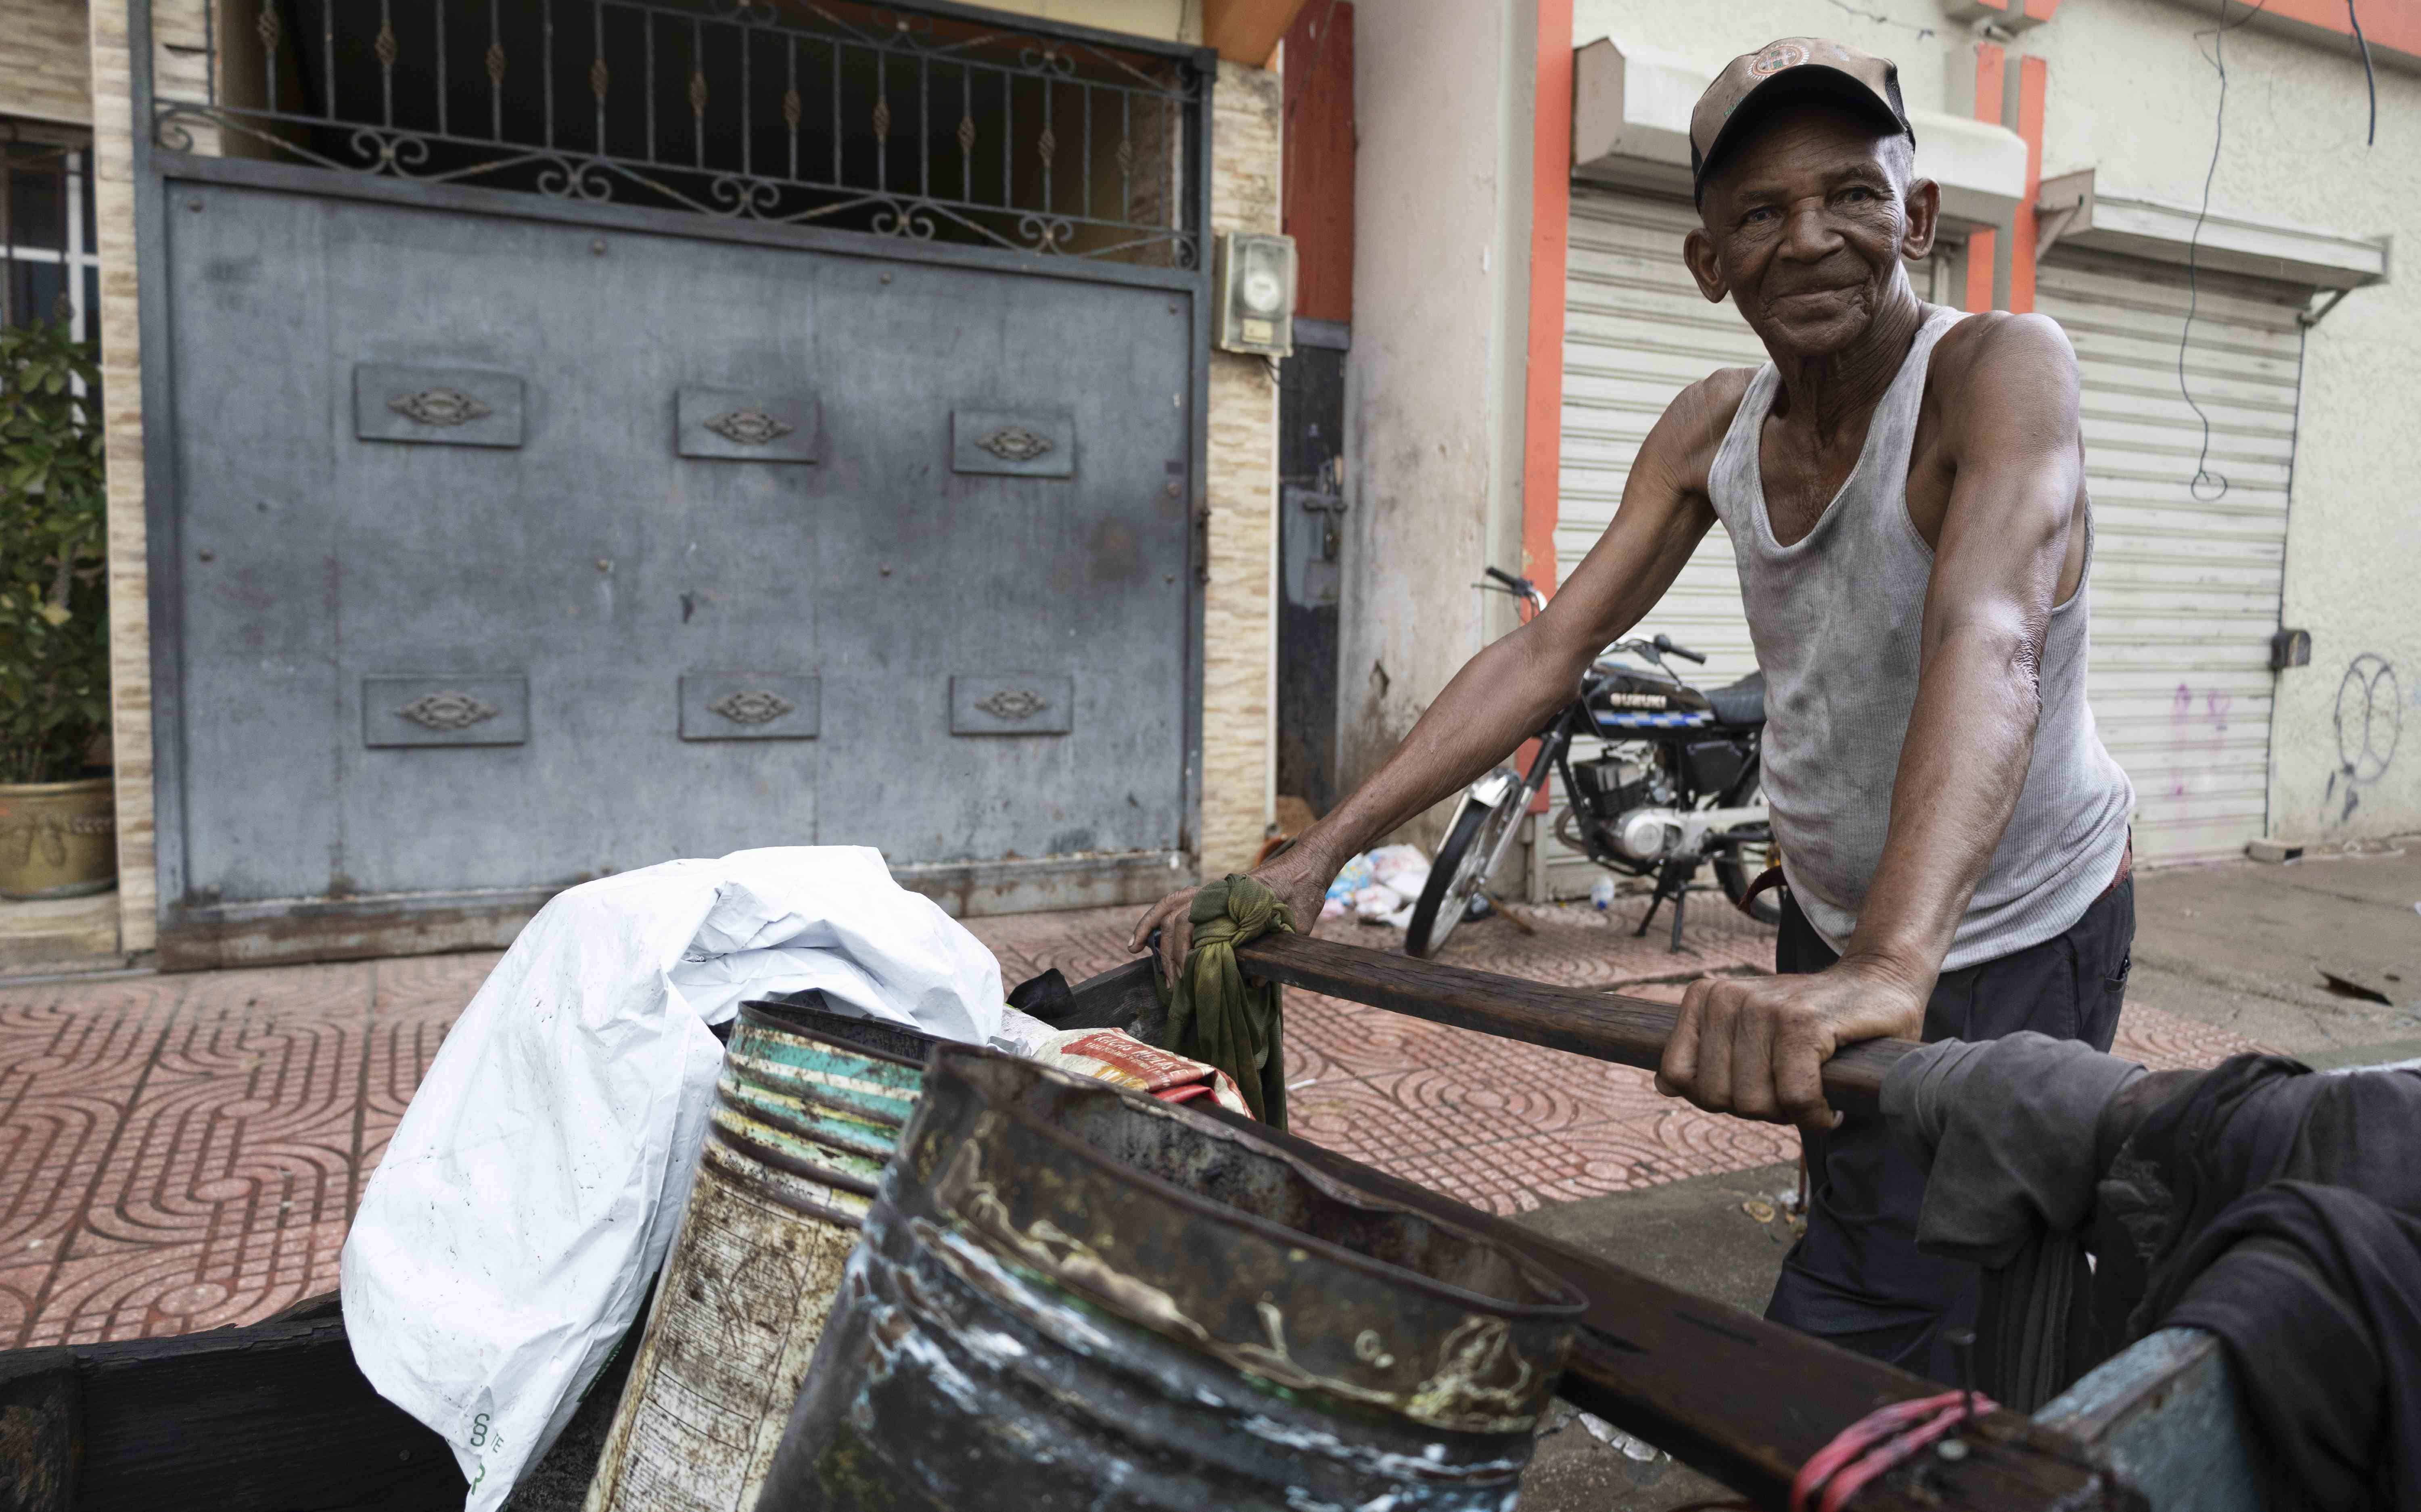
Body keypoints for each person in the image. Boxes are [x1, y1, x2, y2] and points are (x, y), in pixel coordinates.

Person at [1127, 37, 2136, 1384]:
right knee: (1874, 1216)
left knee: (1941, 1278)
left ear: (1922, 216)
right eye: (1762, 214)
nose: (1815, 239)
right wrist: (1315, 854)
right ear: (1709, 263)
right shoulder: (1715, 427)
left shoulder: (2001, 373)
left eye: (1852, 194)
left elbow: (1992, 634)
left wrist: (1896, 966)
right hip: (1832, 917)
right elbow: (1547, 653)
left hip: (2019, 920)